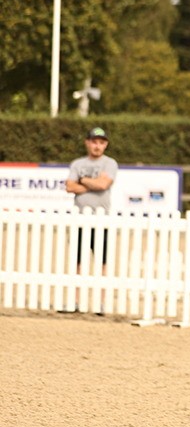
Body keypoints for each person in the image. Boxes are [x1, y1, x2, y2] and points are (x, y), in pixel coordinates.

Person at [61, 127, 118, 313]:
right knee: (77, 261)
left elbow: (103, 184)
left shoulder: (110, 163)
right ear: (87, 142)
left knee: (102, 262)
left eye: (101, 142)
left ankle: (101, 304)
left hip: (101, 220)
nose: (97, 146)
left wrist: (82, 180)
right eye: (94, 141)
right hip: (80, 218)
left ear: (106, 145)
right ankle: (74, 302)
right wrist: (93, 184)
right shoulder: (77, 163)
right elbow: (69, 186)